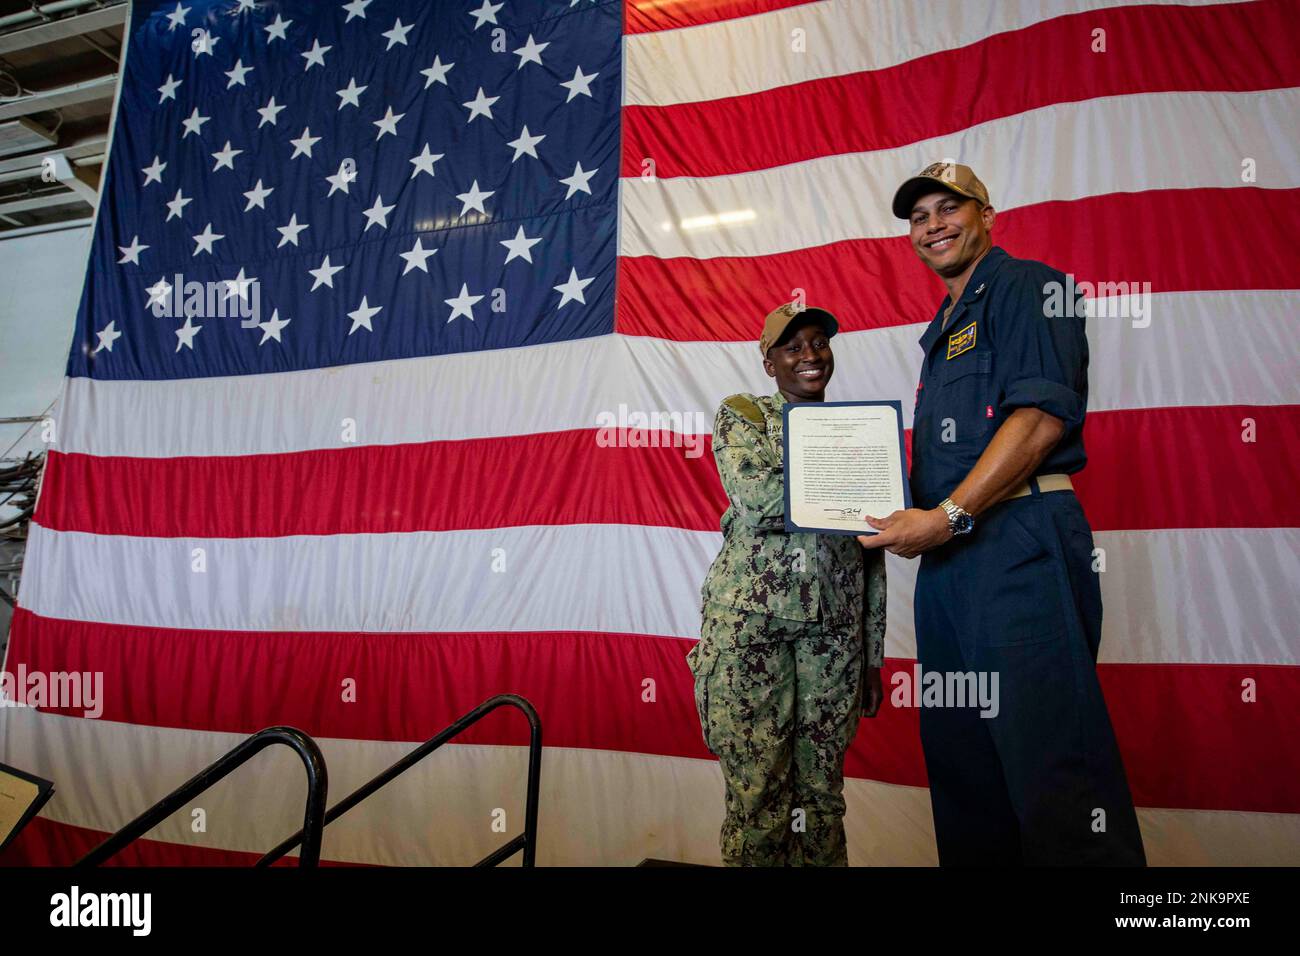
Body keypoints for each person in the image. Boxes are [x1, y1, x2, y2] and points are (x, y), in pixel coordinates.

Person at [858, 161, 1145, 865]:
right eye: (919, 217)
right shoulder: (944, 325)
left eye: (949, 209)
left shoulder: (1029, 287)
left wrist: (948, 515)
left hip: (1017, 545)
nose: (934, 226)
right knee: (966, 774)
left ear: (988, 214)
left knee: (1054, 770)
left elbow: (1042, 415)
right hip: (950, 562)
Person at [689, 303, 887, 867]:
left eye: (819, 343)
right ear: (769, 361)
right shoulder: (744, 414)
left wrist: (872, 656)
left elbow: (873, 551)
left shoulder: (858, 431)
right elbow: (759, 501)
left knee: (822, 798)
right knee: (759, 795)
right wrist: (851, 481)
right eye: (793, 346)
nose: (810, 355)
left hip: (834, 639)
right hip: (752, 634)